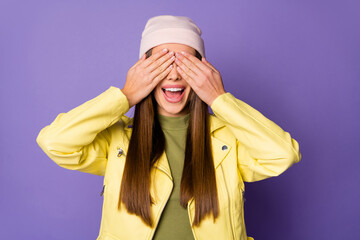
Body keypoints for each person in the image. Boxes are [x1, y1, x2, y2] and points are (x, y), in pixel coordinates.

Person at [36, 15, 301, 240]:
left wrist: (220, 99)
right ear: (143, 71)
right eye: (162, 64)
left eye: (184, 65)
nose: (173, 75)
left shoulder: (228, 140)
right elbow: (55, 142)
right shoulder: (117, 141)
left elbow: (282, 154)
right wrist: (125, 96)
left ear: (203, 71)